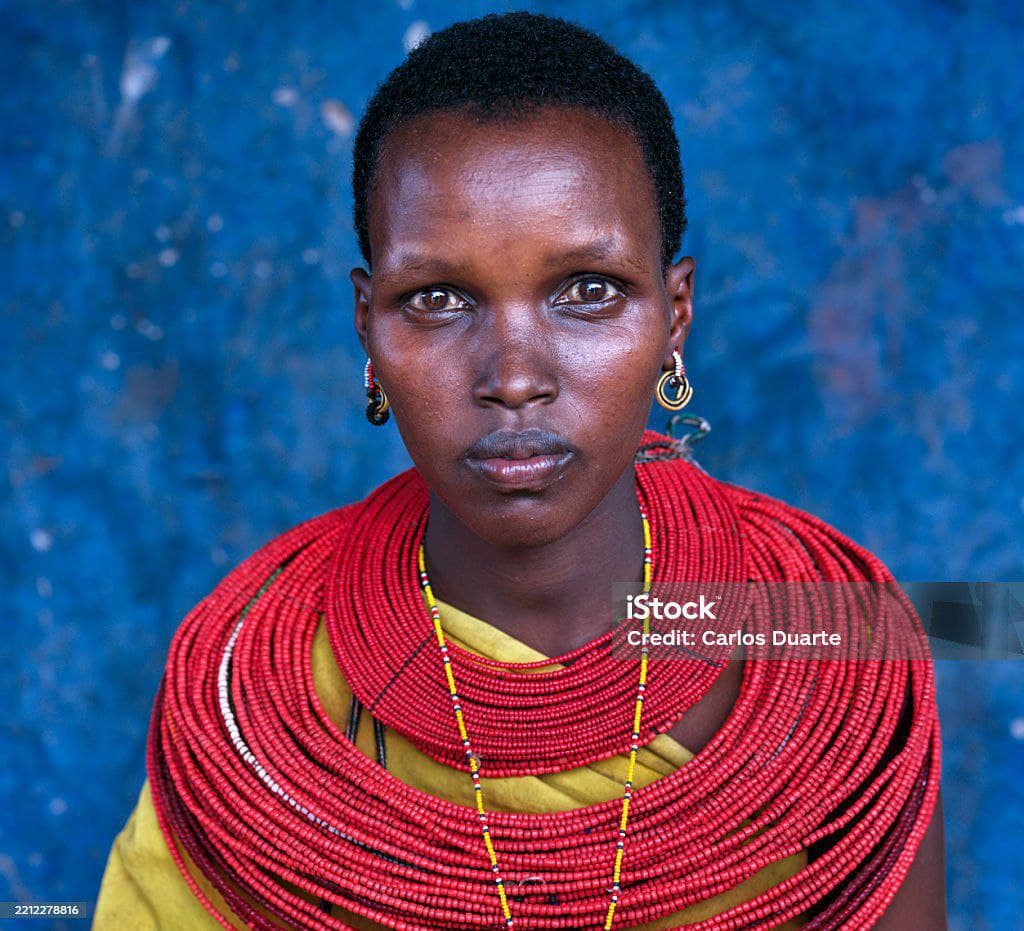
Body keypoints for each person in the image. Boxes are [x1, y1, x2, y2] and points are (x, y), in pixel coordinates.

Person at [94, 12, 945, 930]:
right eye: (437, 298)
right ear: (367, 328)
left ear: (676, 314)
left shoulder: (844, 645)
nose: (513, 378)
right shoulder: (255, 701)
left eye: (588, 290)